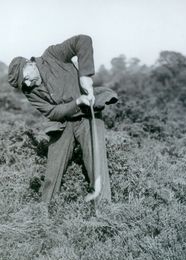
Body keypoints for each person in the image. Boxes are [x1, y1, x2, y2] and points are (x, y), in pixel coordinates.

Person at [8, 34, 118, 207]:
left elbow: (83, 40)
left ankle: (104, 214)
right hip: (63, 123)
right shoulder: (29, 91)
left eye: (26, 78)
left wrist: (85, 76)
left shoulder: (53, 55)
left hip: (88, 117)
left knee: (97, 166)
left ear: (30, 64)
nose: (28, 85)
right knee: (52, 173)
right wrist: (76, 103)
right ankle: (44, 216)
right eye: (24, 85)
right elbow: (52, 112)